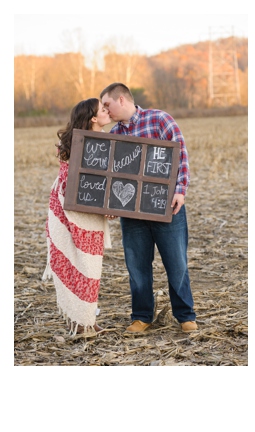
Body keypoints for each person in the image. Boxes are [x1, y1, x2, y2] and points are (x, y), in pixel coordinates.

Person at [99, 82, 198, 333]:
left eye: (107, 105)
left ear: (121, 100)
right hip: (132, 214)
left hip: (166, 208)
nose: (105, 110)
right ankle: (142, 316)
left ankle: (185, 315)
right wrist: (111, 204)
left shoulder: (160, 119)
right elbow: (111, 175)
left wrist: (180, 191)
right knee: (137, 265)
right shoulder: (114, 136)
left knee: (176, 263)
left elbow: (181, 155)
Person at [43, 98, 114, 336]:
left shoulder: (108, 142)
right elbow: (70, 181)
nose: (107, 111)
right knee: (73, 263)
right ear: (93, 118)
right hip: (70, 208)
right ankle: (81, 321)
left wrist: (110, 204)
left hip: (91, 213)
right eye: (103, 110)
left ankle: (85, 320)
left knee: (90, 266)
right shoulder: (78, 143)